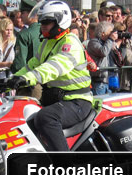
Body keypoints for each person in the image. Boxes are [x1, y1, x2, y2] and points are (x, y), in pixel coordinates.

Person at [8, 0, 93, 151]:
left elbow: (53, 67)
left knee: (46, 118)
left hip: (76, 101)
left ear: (61, 20)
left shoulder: (70, 42)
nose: (43, 26)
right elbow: (32, 65)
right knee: (22, 117)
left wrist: (28, 78)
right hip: (56, 98)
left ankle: (64, 167)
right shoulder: (47, 43)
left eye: (47, 22)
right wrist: (12, 78)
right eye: (41, 22)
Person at [10, 0, 42, 99]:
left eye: (23, 13)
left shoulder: (24, 34)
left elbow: (19, 64)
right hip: (47, 83)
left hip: (29, 86)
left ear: (31, 14)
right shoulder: (46, 31)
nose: (21, 16)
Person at [87, 21, 117, 95]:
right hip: (98, 82)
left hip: (109, 81)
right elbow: (103, 52)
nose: (112, 34)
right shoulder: (93, 42)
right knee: (100, 105)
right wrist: (110, 40)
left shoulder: (109, 43)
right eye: (110, 32)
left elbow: (119, 60)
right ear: (103, 33)